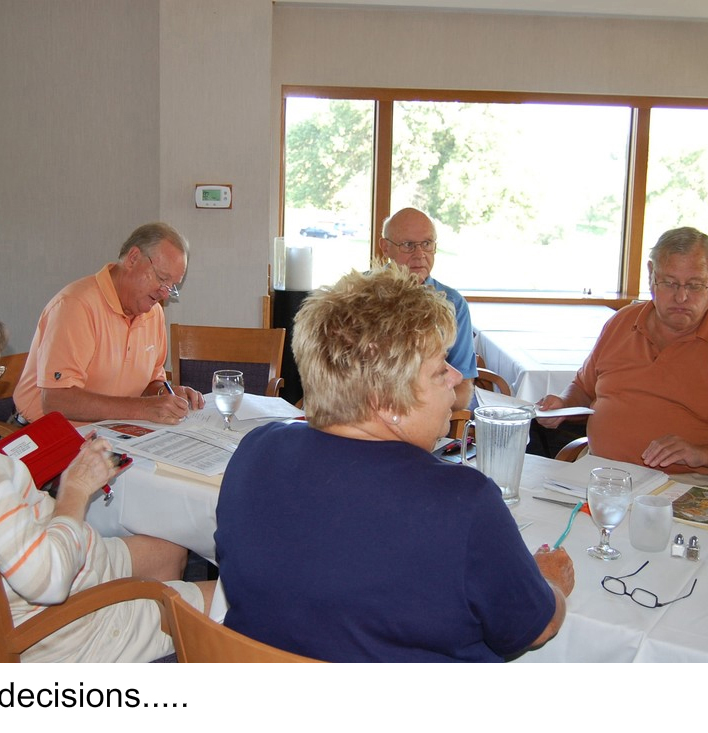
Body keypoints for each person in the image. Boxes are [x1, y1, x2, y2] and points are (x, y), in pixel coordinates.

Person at [214, 266, 573, 662]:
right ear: (387, 404)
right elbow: (535, 629)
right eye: (440, 369)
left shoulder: (256, 451)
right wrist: (550, 582)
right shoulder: (462, 501)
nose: (456, 377)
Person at [0, 290, 212, 662]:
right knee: (230, 601)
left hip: (20, 575)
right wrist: (75, 489)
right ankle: (143, 640)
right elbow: (49, 582)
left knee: (169, 551)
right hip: (54, 630)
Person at [538, 227, 708, 486]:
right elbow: (584, 389)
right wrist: (563, 404)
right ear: (651, 274)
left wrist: (701, 454)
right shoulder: (622, 323)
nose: (681, 297)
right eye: (670, 283)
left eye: (695, 285)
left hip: (688, 483)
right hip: (599, 472)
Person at [13, 222, 205, 427]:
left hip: (112, 432)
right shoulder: (76, 305)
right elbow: (57, 400)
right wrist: (143, 408)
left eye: (172, 287)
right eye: (162, 278)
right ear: (133, 258)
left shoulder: (154, 313)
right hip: (46, 433)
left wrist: (165, 394)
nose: (165, 293)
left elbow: (150, 382)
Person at [379, 207, 477, 409]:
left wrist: (416, 412)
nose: (420, 254)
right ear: (385, 247)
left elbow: (463, 388)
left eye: (427, 243)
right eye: (408, 245)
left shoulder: (453, 304)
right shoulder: (357, 297)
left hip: (429, 416)